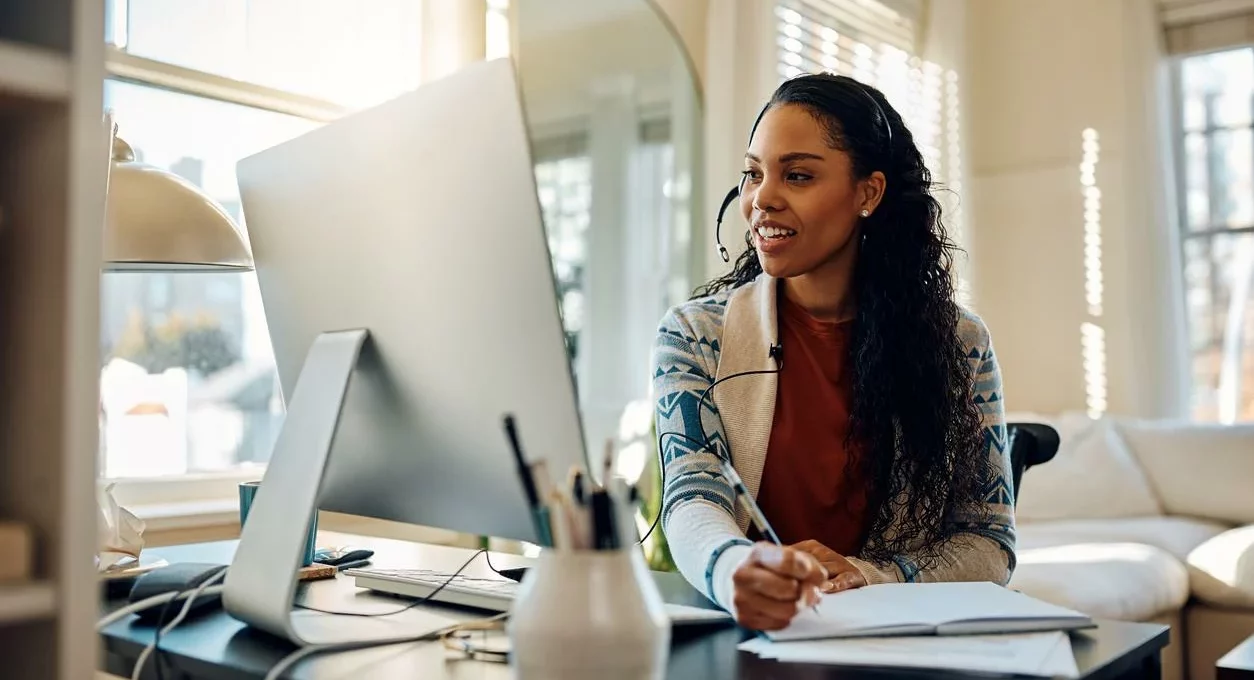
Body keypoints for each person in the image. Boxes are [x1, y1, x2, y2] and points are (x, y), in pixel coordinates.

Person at [651, 73, 1014, 632]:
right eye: (753, 173)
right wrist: (735, 569)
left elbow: (989, 541)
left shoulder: (960, 343)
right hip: (754, 634)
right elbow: (692, 496)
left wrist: (872, 575)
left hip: (898, 643)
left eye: (797, 175)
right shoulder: (695, 335)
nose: (762, 199)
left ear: (868, 193)